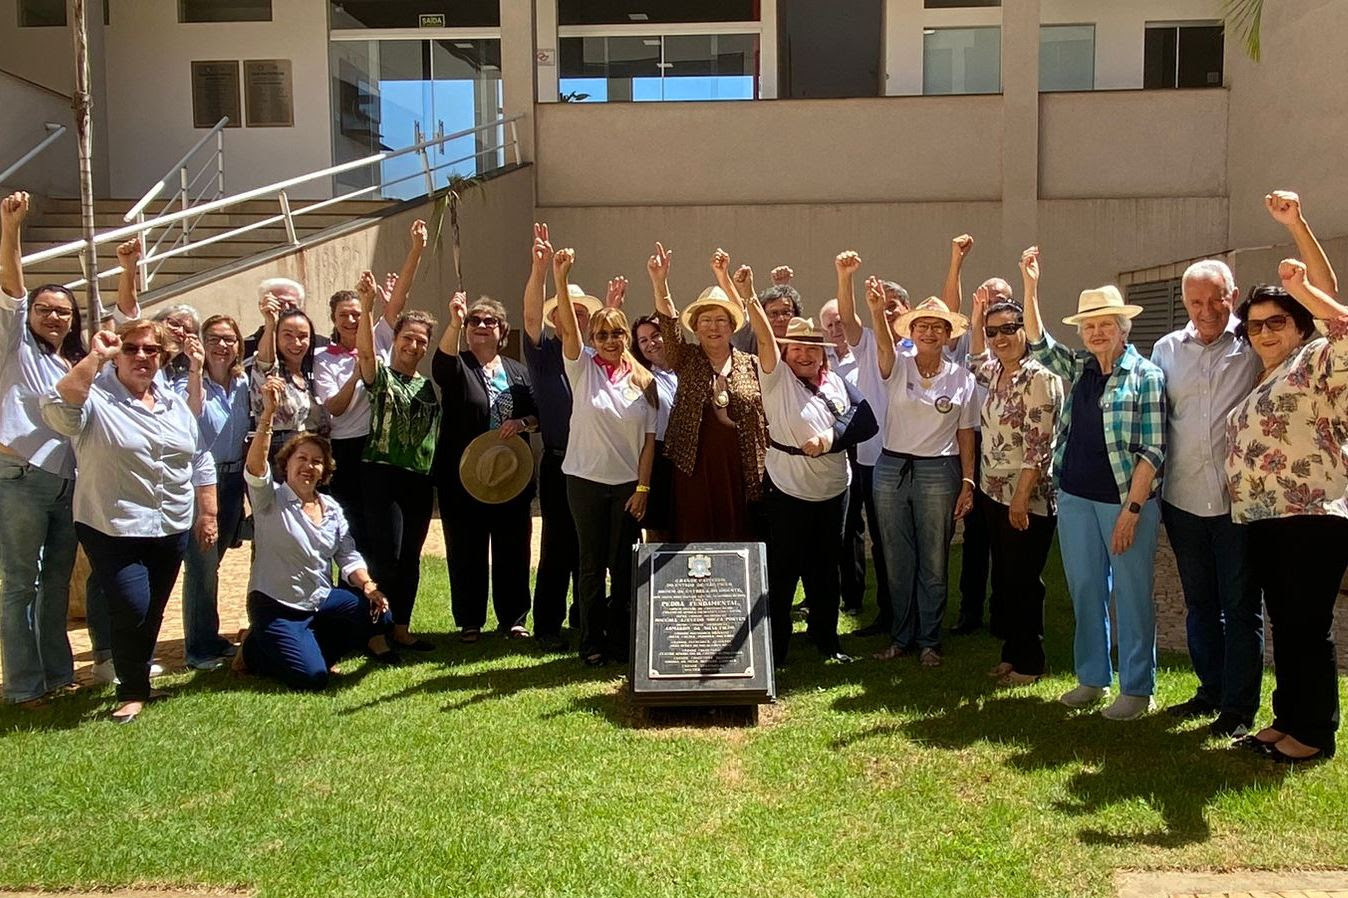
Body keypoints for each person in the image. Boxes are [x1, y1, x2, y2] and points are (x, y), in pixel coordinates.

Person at [43, 319, 216, 723]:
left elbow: (198, 455)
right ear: (118, 353)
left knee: (152, 608)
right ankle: (132, 690)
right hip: (112, 523)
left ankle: (136, 680)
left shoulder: (173, 402)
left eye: (150, 350)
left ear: (162, 356)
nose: (141, 356)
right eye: (132, 348)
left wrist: (207, 511)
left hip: (169, 521)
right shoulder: (96, 397)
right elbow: (57, 410)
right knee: (131, 606)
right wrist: (95, 357)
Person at [1024, 248, 1166, 721]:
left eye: (1106, 323)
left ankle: (1138, 688)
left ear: (1123, 328)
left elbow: (1152, 450)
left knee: (1131, 592)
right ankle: (1091, 678)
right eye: (1089, 325)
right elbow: (1039, 344)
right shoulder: (1081, 367)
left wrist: (1133, 509)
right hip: (1076, 498)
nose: (1097, 331)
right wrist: (1030, 286)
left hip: (1124, 503)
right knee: (1086, 590)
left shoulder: (1145, 376)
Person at [1225, 256, 1348, 763]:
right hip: (1265, 518)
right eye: (1255, 325)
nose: (1265, 332)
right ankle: (1288, 718)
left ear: (1300, 324)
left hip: (1312, 514)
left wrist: (1307, 285)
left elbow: (1343, 325)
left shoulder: (1318, 359)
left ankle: (1315, 733)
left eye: (1277, 321)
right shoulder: (1265, 376)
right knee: (1285, 621)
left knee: (1306, 623)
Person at [1150, 257, 1263, 737]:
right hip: (1184, 499)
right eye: (1195, 302)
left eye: (1215, 299)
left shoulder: (1256, 343)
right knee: (1200, 604)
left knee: (1241, 608)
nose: (1206, 310)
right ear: (1185, 303)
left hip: (1239, 504)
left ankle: (1238, 710)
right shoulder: (1166, 350)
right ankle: (1209, 691)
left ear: (1232, 296)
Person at [742, 268, 877, 665]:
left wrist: (830, 439)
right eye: (796, 347)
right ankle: (777, 647)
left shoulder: (835, 380)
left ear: (823, 351)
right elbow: (764, 335)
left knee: (826, 571)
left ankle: (827, 640)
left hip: (835, 489)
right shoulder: (775, 377)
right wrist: (749, 295)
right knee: (783, 572)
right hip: (788, 489)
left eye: (811, 347)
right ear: (785, 352)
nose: (804, 353)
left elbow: (866, 420)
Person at [235, 378, 398, 690]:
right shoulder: (270, 499)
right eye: (302, 459)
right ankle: (254, 648)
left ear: (325, 471)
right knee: (313, 678)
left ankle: (311, 645)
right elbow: (255, 466)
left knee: (379, 614)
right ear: (287, 464)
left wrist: (368, 586)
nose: (309, 466)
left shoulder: (332, 508)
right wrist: (268, 415)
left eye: (317, 462)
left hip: (317, 600)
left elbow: (347, 556)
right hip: (276, 604)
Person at [553, 245, 656, 667]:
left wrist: (643, 487)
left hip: (628, 487)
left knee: (624, 567)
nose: (610, 341)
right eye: (602, 335)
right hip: (585, 481)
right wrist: (559, 278)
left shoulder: (645, 379)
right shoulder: (582, 367)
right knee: (591, 566)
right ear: (592, 340)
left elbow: (650, 440)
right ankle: (591, 641)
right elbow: (568, 330)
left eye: (617, 333)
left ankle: (623, 640)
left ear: (626, 337)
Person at [0, 191, 83, 708]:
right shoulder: (15, 345)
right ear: (31, 314)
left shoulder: (63, 363)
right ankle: (24, 686)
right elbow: (11, 288)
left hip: (65, 483)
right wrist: (11, 230)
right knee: (18, 585)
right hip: (20, 478)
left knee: (54, 584)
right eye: (46, 310)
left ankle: (57, 675)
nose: (54, 317)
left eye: (63, 312)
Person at [867, 286, 978, 669]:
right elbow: (882, 345)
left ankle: (930, 639)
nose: (929, 332)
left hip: (939, 471)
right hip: (892, 467)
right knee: (896, 558)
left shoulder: (962, 378)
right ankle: (901, 636)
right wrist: (878, 312)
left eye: (937, 327)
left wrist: (968, 481)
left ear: (948, 336)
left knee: (934, 558)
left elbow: (966, 433)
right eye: (921, 326)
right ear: (910, 332)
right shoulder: (897, 365)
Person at [966, 283, 1063, 686]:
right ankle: (1011, 653)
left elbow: (1039, 446)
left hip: (1026, 497)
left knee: (1024, 581)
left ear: (1025, 330)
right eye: (993, 332)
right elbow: (973, 359)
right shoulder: (995, 371)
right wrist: (977, 316)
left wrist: (1020, 499)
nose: (1000, 338)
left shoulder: (1039, 378)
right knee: (1005, 579)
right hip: (993, 491)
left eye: (1008, 329)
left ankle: (1030, 663)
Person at [433, 291, 540, 645]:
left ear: (502, 331)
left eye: (489, 321)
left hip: (510, 475)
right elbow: (440, 366)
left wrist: (523, 423)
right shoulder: (457, 364)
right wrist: (453, 319)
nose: (481, 326)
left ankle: (513, 619)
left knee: (513, 548)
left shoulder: (518, 371)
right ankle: (469, 621)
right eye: (474, 321)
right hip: (462, 478)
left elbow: (539, 415)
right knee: (466, 548)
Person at [313, 220, 423, 553]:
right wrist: (359, 372)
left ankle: (381, 594)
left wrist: (416, 249)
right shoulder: (323, 357)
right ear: (333, 319)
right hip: (347, 448)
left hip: (383, 446)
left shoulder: (378, 337)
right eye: (344, 315)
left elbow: (399, 300)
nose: (351, 320)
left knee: (383, 535)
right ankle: (352, 595)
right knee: (349, 530)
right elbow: (333, 407)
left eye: (357, 313)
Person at [651, 244, 768, 541]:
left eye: (720, 320)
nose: (713, 327)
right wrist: (660, 282)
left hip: (741, 470)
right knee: (695, 536)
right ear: (696, 327)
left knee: (739, 537)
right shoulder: (686, 359)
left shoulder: (751, 364)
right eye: (706, 320)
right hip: (694, 469)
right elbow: (668, 323)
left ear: (731, 327)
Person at [355, 271, 441, 652]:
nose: (414, 346)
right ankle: (376, 631)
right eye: (408, 338)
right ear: (396, 340)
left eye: (421, 341)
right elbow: (364, 354)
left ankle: (402, 626)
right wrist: (368, 307)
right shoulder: (381, 376)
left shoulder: (428, 387)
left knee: (410, 556)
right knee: (383, 555)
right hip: (381, 475)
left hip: (419, 480)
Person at [520, 223, 596, 644]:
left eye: (582, 313)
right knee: (556, 548)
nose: (574, 317)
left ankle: (586, 618)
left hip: (598, 464)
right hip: (558, 459)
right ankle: (547, 626)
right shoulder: (545, 353)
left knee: (592, 548)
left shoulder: (601, 358)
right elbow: (529, 315)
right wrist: (540, 268)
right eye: (567, 311)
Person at [941, 233, 1012, 636]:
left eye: (999, 297)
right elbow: (949, 310)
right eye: (986, 297)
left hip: (1008, 447)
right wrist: (958, 265)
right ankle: (969, 612)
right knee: (974, 537)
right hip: (973, 441)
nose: (992, 301)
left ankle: (1003, 613)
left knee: (1005, 535)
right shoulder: (967, 338)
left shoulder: (1019, 340)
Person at [176, 314, 250, 670]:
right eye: (215, 339)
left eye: (230, 339)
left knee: (213, 565)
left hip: (235, 482)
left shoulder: (242, 383)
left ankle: (210, 636)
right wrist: (195, 371)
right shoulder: (189, 382)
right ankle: (199, 649)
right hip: (201, 484)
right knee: (202, 568)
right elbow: (189, 415)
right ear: (202, 344)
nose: (223, 346)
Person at [249, 295, 327, 469]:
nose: (296, 343)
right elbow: (265, 361)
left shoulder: (310, 374)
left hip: (311, 457)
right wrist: (270, 325)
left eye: (302, 336)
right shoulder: (273, 371)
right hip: (280, 455)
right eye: (288, 335)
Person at [632, 312, 678, 541]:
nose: (651, 343)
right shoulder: (640, 376)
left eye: (655, 335)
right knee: (657, 527)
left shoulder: (688, 369)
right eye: (643, 340)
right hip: (658, 455)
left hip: (690, 455)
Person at [243, 277, 329, 358]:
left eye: (292, 305)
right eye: (279, 304)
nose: (286, 309)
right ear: (262, 306)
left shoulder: (322, 346)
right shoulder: (244, 349)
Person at [153, 303, 200, 385]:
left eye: (188, 331)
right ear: (157, 322)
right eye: (174, 324)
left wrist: (197, 367)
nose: (180, 332)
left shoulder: (175, 374)